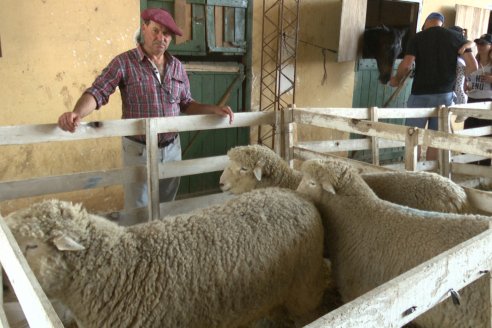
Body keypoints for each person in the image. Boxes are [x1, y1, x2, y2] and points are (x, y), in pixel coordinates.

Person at [58, 8, 234, 223]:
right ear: (144, 29)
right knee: (138, 212)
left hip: (171, 148)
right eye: (156, 30)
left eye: (167, 34)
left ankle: (161, 248)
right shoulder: (124, 62)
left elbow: (187, 104)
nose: (161, 38)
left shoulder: (177, 67)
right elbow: (98, 91)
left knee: (167, 209)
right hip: (138, 150)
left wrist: (214, 109)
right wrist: (77, 113)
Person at [389, 12, 478, 161]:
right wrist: (460, 77)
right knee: (435, 140)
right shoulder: (456, 37)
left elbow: (406, 65)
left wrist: (396, 80)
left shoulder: (418, 37)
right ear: (441, 23)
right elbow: (473, 66)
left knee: (413, 136)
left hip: (420, 96)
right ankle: (430, 177)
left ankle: (411, 174)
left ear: (426, 22)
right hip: (445, 96)